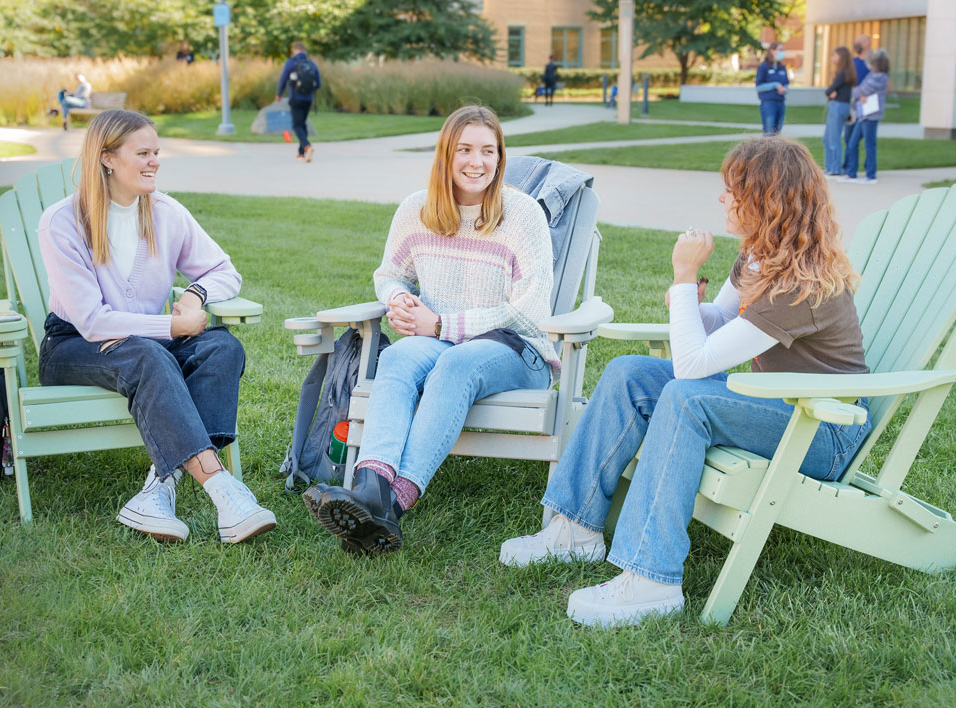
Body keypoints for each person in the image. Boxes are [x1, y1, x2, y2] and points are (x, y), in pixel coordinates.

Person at [499, 136, 872, 628]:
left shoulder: (799, 284)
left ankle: (652, 579)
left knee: (686, 399)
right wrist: (690, 302)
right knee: (629, 372)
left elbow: (692, 369)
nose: (722, 198)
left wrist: (682, 276)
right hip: (778, 411)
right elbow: (718, 318)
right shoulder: (761, 256)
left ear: (766, 198)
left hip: (823, 430)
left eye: (732, 190)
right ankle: (575, 529)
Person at [303, 105, 557, 554]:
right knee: (397, 357)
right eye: (464, 150)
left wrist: (441, 323)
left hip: (517, 350)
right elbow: (390, 273)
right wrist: (398, 298)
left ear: (500, 156)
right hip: (436, 341)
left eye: (487, 150)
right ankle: (371, 490)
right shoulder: (415, 210)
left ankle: (391, 506)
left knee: (456, 363)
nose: (476, 162)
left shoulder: (523, 215)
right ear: (445, 154)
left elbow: (530, 312)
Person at [36, 109, 276, 544]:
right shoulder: (62, 221)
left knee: (222, 349)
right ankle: (225, 494)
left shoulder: (165, 212)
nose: (154, 162)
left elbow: (224, 270)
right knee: (147, 354)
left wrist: (195, 296)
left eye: (156, 152)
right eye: (142, 153)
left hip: (149, 345)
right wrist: (172, 324)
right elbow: (92, 322)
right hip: (73, 347)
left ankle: (156, 490)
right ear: (107, 158)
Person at [841, 49, 890, 184]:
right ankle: (852, 173)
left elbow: (860, 91)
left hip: (870, 116)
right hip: (863, 115)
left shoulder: (880, 77)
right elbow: (859, 90)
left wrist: (860, 94)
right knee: (852, 143)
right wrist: (859, 93)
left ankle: (870, 175)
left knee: (869, 145)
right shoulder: (872, 75)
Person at [274, 41, 321, 163]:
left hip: (296, 98)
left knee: (297, 125)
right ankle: (301, 154)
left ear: (295, 51)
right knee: (302, 124)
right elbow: (318, 83)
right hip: (308, 99)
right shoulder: (311, 63)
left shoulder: (292, 62)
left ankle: (307, 146)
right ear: (304, 51)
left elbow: (283, 78)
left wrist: (279, 94)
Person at [822, 46, 857, 177]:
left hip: (838, 107)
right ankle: (829, 166)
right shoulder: (845, 73)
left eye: (834, 55)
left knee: (833, 139)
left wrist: (830, 92)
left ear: (841, 57)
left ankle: (835, 168)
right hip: (840, 106)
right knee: (827, 139)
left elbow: (828, 90)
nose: (832, 58)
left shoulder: (843, 73)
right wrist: (831, 92)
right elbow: (831, 91)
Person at [843, 34, 872, 149]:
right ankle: (849, 165)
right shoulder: (852, 62)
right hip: (853, 105)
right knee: (848, 136)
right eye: (857, 41)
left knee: (862, 137)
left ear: (868, 43)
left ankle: (856, 165)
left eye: (861, 41)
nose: (858, 44)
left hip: (867, 104)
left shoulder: (873, 63)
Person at [755, 42, 789, 135]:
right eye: (780, 50)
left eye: (783, 50)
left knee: (777, 133)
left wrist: (784, 89)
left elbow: (786, 84)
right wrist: (775, 85)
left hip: (780, 102)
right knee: (769, 132)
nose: (782, 52)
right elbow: (759, 87)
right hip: (768, 103)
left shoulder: (782, 67)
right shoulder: (763, 67)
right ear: (772, 51)